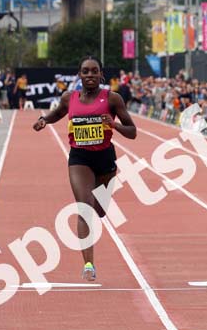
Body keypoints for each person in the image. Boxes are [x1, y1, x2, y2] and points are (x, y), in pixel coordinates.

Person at [32, 56, 137, 281]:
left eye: (94, 71)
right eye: (85, 71)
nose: (90, 75)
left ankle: (98, 212)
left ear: (101, 75)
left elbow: (132, 131)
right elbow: (58, 113)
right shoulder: (69, 98)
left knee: (99, 210)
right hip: (79, 157)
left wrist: (115, 125)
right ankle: (88, 264)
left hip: (105, 159)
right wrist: (44, 120)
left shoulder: (113, 98)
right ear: (79, 75)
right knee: (84, 208)